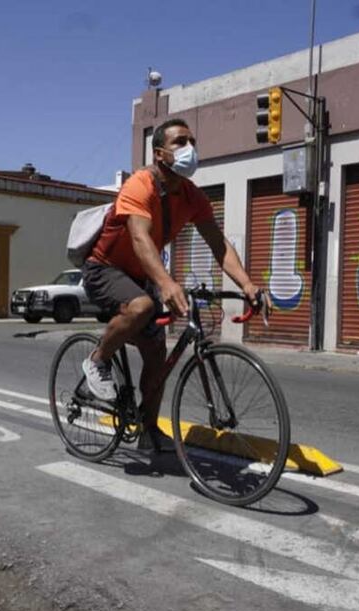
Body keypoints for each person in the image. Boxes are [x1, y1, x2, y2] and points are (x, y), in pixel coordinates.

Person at [81, 118, 263, 451]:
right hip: (104, 269)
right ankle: (97, 359)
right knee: (143, 305)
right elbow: (139, 237)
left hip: (139, 276)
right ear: (159, 153)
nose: (189, 149)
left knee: (157, 353)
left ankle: (148, 430)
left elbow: (218, 244)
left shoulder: (192, 196)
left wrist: (247, 284)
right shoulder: (140, 185)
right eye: (180, 142)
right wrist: (165, 283)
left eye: (192, 141)